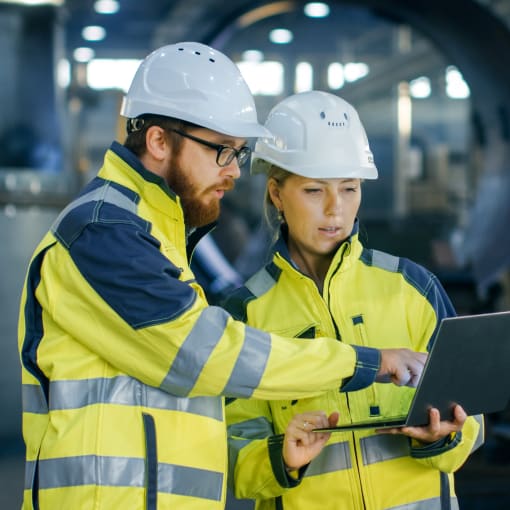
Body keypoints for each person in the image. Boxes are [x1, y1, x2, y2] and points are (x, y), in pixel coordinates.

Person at [17, 44, 427, 510]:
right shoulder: (103, 231)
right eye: (222, 151)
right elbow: (204, 355)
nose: (234, 170)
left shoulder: (154, 232)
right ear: (158, 141)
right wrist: (361, 362)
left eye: (238, 152)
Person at [224, 91, 484, 510]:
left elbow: (472, 415)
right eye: (313, 191)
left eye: (349, 188)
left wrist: (447, 435)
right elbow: (233, 452)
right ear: (276, 194)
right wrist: (282, 459)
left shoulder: (413, 288)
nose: (335, 210)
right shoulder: (245, 314)